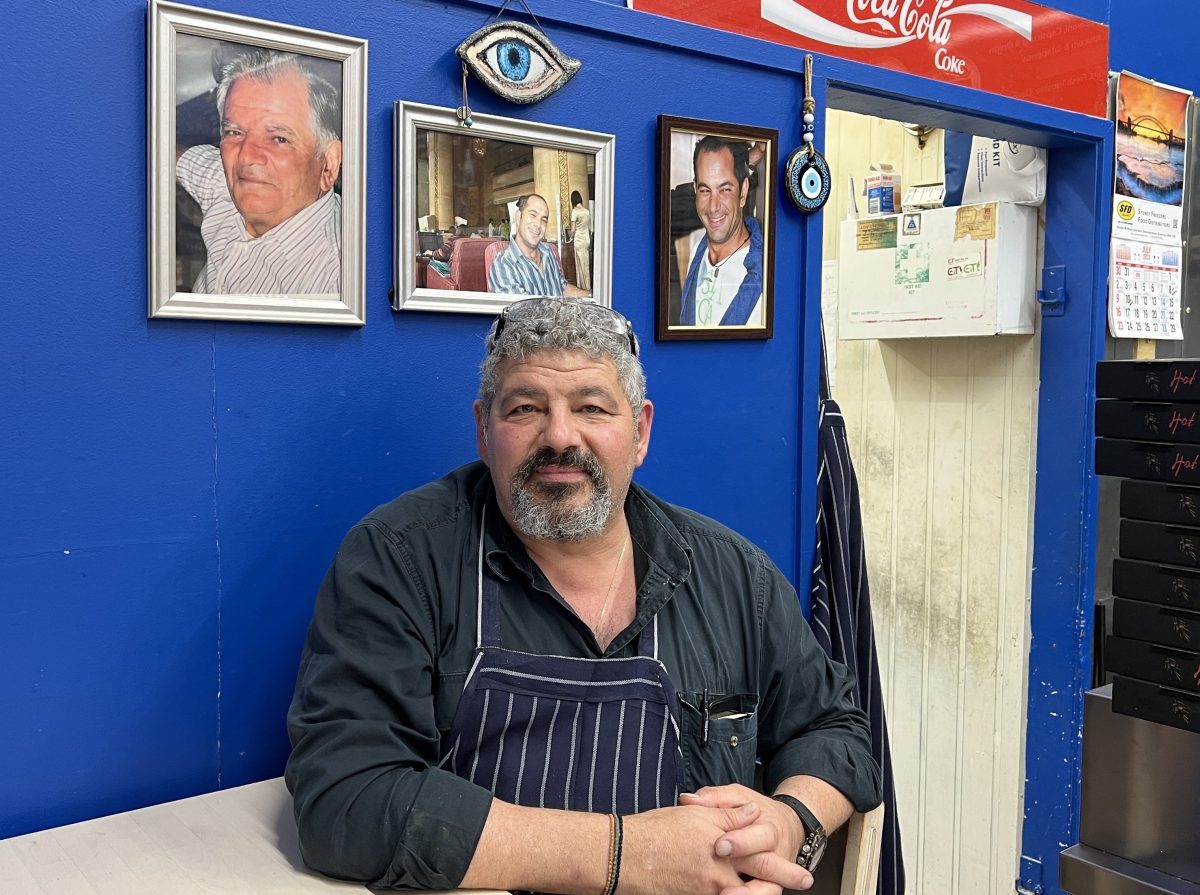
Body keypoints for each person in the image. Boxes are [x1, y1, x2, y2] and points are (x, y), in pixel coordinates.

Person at [285, 297, 882, 894]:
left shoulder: (734, 577)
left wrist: (789, 819)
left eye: (592, 407)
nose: (560, 435)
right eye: (526, 408)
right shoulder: (400, 561)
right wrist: (627, 855)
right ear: (483, 431)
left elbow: (835, 731)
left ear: (640, 431)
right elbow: (344, 799)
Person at [176, 49, 342, 295]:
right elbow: (169, 154)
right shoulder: (227, 182)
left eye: (279, 138)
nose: (246, 156)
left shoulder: (333, 281)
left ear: (328, 165)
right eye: (234, 132)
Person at [678, 136, 764, 327]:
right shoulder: (694, 249)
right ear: (695, 190)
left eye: (725, 190)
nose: (714, 206)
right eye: (705, 191)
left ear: (742, 193)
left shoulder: (766, 273)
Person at [488, 194, 590, 297]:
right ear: (519, 217)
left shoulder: (548, 252)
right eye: (533, 215)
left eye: (544, 220)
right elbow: (524, 311)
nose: (538, 224)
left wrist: (593, 296)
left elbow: (562, 288)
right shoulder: (503, 265)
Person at [569, 190, 593, 292]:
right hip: (586, 240)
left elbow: (573, 230)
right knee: (586, 265)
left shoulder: (575, 211)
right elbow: (589, 228)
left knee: (580, 266)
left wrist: (570, 236)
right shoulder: (587, 211)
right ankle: (587, 287)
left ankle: (585, 289)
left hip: (579, 240)